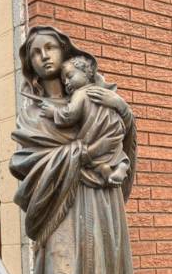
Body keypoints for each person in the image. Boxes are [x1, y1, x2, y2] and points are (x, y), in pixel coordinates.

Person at [9, 26, 138, 274]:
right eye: (36, 52)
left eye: (51, 48)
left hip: (100, 204)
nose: (44, 56)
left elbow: (121, 141)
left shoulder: (98, 95)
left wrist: (125, 111)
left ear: (67, 53)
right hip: (62, 204)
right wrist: (82, 153)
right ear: (30, 64)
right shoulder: (33, 111)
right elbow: (25, 160)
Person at [37, 55, 130, 187]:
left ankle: (104, 169)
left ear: (86, 73)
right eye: (64, 81)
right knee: (116, 152)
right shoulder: (101, 90)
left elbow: (70, 115)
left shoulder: (79, 94)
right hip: (115, 129)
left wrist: (53, 112)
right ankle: (120, 166)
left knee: (90, 158)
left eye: (70, 76)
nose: (67, 83)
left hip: (98, 133)